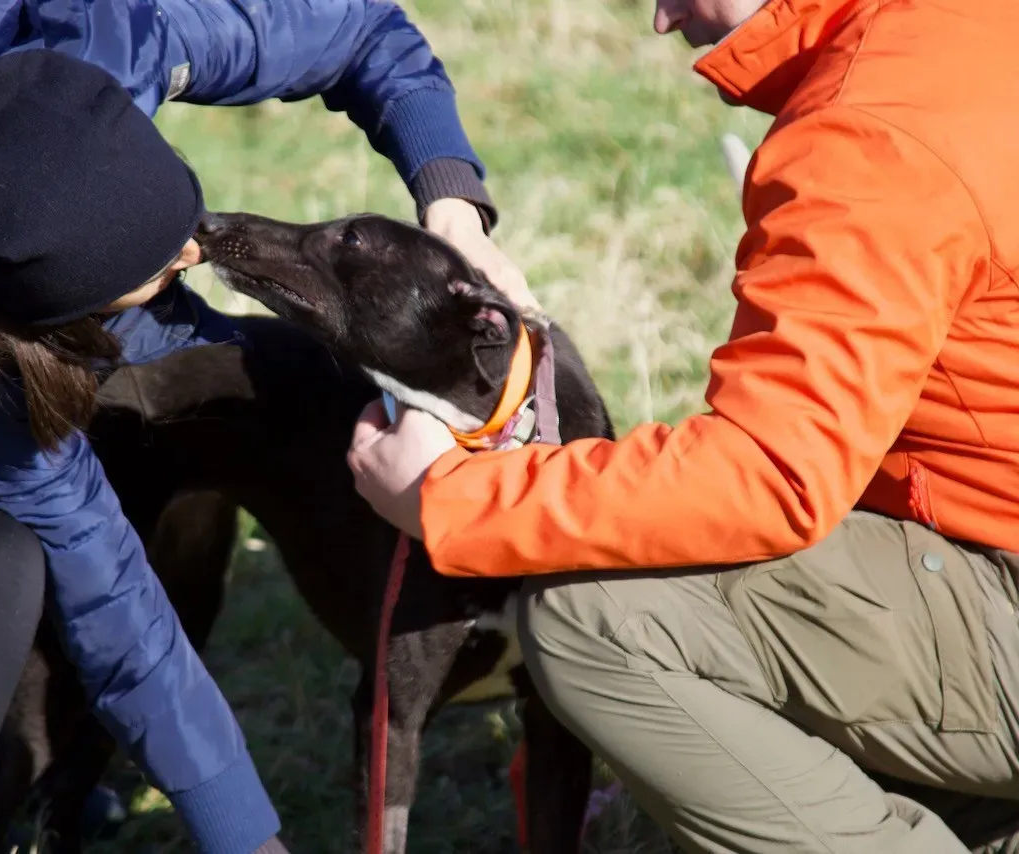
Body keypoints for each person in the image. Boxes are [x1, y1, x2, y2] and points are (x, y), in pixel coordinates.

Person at [0, 0, 533, 852]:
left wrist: (450, 198)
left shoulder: (100, 48)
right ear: (50, 318)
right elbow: (118, 610)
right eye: (155, 272)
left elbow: (361, 29)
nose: (197, 249)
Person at [345, 0, 1019, 850]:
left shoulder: (869, 131)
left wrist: (452, 497)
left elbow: (768, 476)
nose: (661, 20)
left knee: (593, 617)